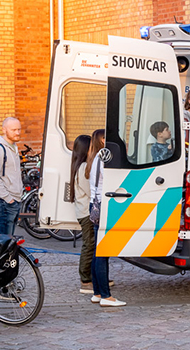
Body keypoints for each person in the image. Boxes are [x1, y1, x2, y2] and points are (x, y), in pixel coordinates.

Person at [88, 129, 126, 307]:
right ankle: (106, 295)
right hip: (103, 206)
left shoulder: (95, 157)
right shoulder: (104, 158)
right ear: (103, 140)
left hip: (95, 205)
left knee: (98, 252)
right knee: (103, 253)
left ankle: (97, 292)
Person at [0, 117, 23, 236]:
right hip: (4, 202)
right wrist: (9, 199)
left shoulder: (13, 147)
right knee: (4, 242)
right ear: (4, 130)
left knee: (9, 242)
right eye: (14, 130)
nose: (17, 132)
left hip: (14, 200)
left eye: (19, 129)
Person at [70, 135, 95, 294]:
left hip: (83, 211)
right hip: (86, 213)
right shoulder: (83, 168)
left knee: (90, 244)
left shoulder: (77, 166)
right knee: (89, 245)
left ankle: (92, 276)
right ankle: (85, 280)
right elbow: (90, 191)